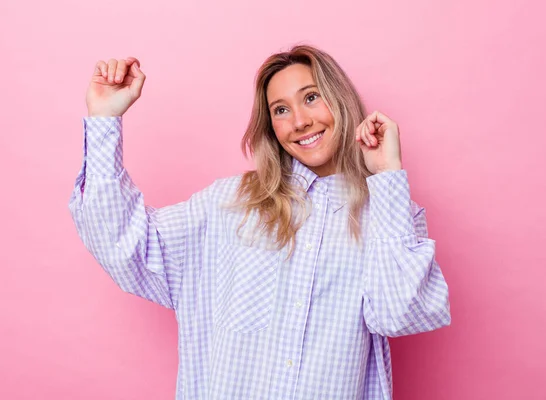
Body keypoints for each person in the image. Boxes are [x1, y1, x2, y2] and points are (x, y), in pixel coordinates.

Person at [68, 45, 451, 399]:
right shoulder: (229, 204)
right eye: (280, 109)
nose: (300, 121)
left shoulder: (386, 213)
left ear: (341, 100)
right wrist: (104, 121)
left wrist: (386, 176)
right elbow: (126, 245)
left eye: (311, 97)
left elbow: (400, 314)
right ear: (270, 125)